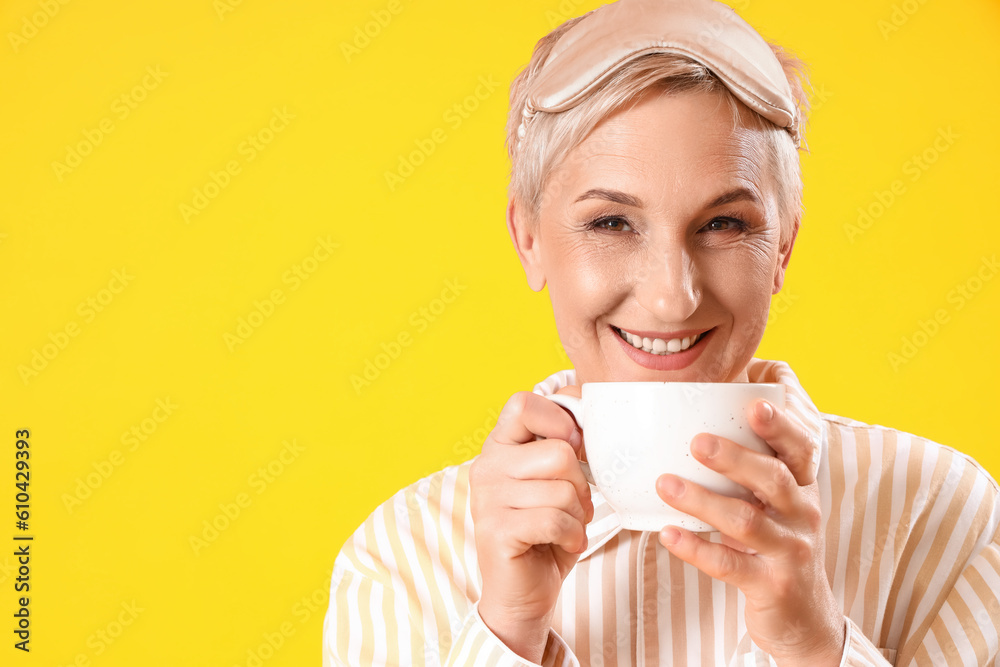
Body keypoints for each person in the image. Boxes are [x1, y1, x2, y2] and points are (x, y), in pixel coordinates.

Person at [323, 0, 1000, 664]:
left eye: (723, 224)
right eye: (611, 223)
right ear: (528, 238)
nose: (673, 297)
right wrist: (505, 634)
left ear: (784, 247)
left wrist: (814, 645)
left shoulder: (941, 519)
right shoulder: (402, 559)